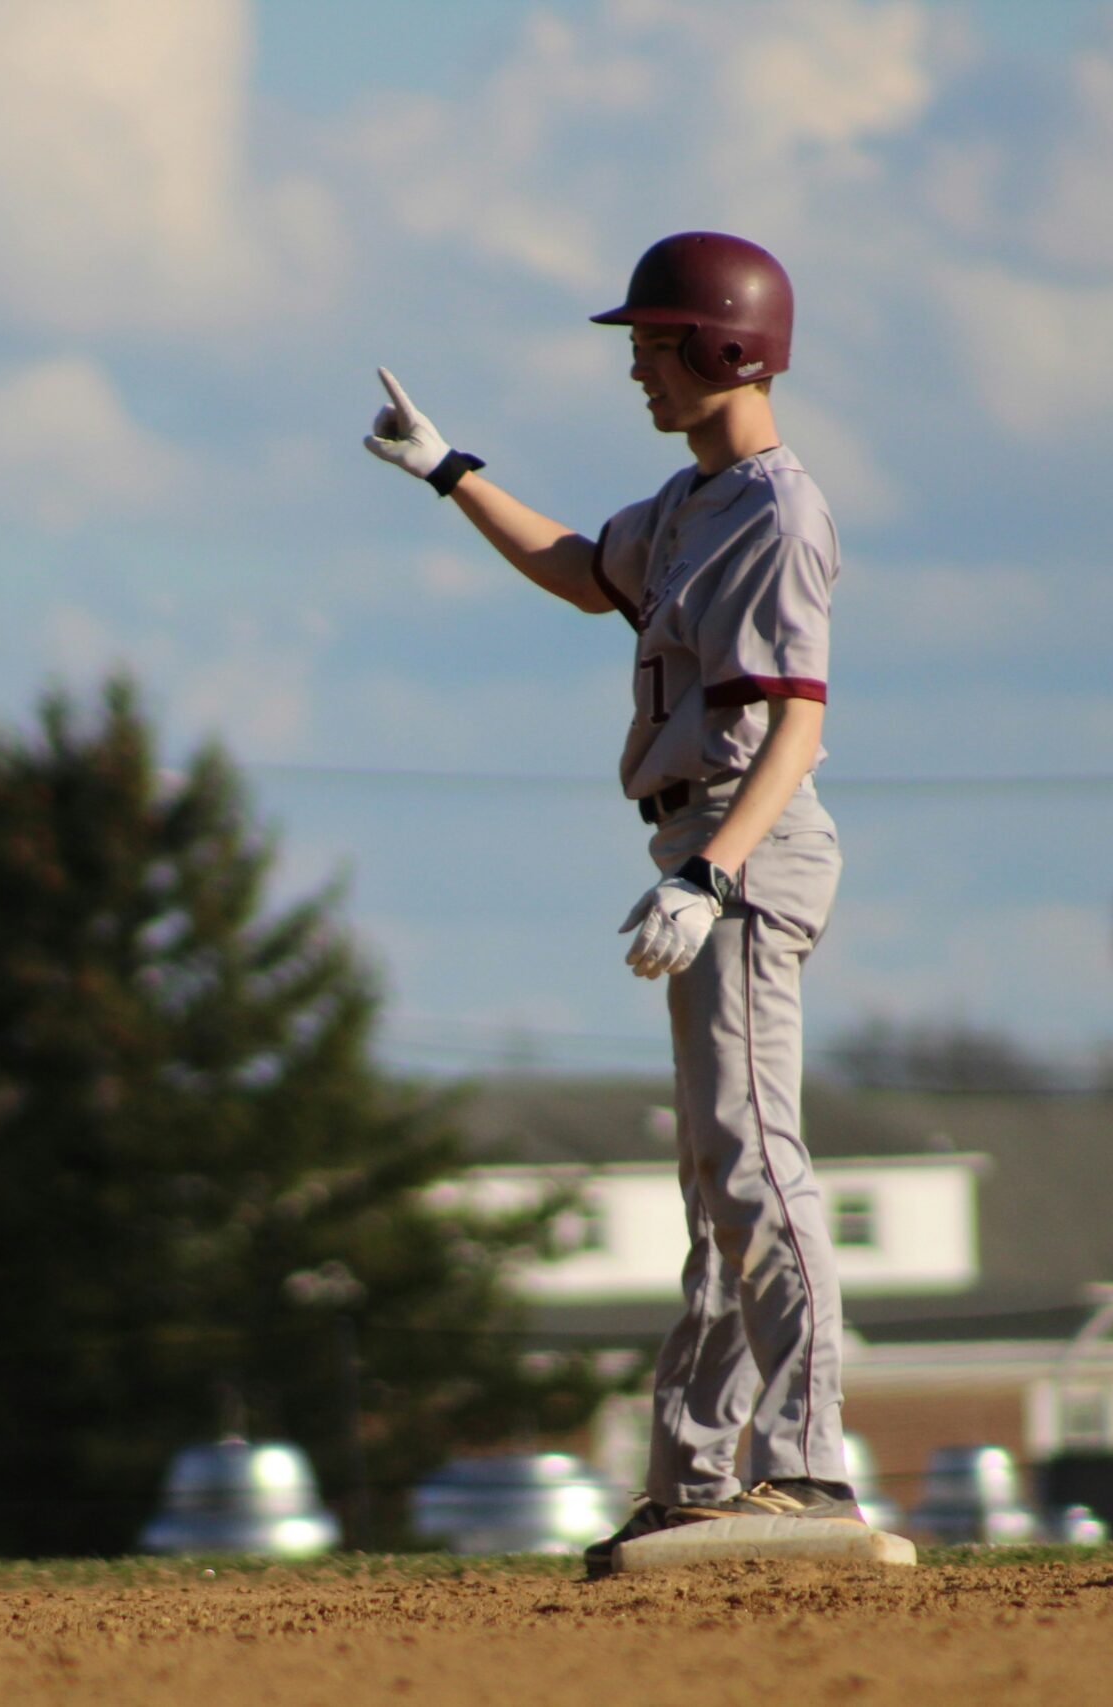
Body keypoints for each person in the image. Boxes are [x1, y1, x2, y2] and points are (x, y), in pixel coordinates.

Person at [363, 232, 861, 1576]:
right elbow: (587, 571)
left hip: (743, 839)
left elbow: (796, 731)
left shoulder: (774, 510)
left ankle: (812, 1465)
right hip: (699, 837)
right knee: (714, 1170)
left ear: (728, 345)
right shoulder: (694, 498)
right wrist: (450, 471)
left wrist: (710, 872)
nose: (638, 364)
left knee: (755, 1153)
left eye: (655, 339)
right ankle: (699, 1477)